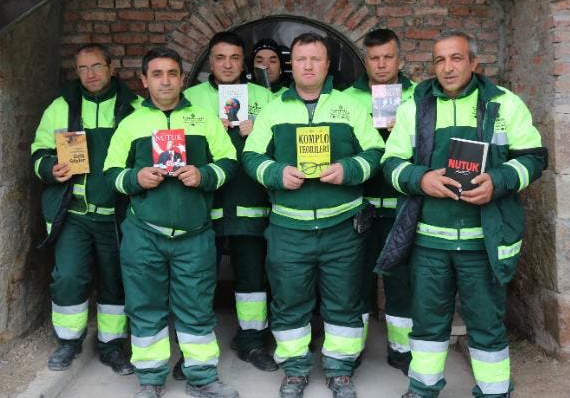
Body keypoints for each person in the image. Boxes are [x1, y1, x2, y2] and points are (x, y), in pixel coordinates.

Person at [379, 30, 547, 398]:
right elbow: (390, 163)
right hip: (429, 242)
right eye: (439, 60)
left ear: (473, 62)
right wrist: (420, 179)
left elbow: (534, 158)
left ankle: (494, 391)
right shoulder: (414, 107)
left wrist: (498, 181)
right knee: (427, 325)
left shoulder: (504, 104)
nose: (448, 67)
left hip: (482, 242)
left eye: (456, 58)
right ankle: (422, 389)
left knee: (487, 324)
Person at [243, 32, 385, 398]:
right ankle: (294, 370)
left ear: (327, 65)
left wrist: (348, 169)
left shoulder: (349, 106)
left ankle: (340, 370)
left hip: (343, 227)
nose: (308, 66)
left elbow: (375, 152)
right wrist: (276, 173)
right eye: (301, 59)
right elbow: (251, 156)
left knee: (344, 301)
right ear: (292, 65)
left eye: (316, 59)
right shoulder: (274, 109)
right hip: (289, 228)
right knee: (289, 301)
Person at [103, 47, 240, 398]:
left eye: (172, 74)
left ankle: (202, 378)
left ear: (182, 79)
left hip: (195, 234)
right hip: (144, 234)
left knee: (196, 308)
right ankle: (150, 380)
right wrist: (135, 178)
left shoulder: (204, 119)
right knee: (145, 308)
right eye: (157, 74)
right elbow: (110, 174)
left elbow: (229, 162)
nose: (165, 81)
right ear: (144, 80)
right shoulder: (131, 123)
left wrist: (203, 174)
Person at [31, 43, 140, 375]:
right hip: (74, 214)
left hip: (116, 215)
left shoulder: (133, 108)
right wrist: (50, 168)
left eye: (96, 66)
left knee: (115, 280)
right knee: (68, 276)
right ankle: (68, 341)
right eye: (83, 68)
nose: (90, 74)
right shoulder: (60, 107)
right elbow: (38, 152)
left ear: (111, 67)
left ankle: (112, 345)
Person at [184, 32, 278, 373]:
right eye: (220, 57)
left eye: (235, 57)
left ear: (244, 62)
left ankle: (252, 341)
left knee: (252, 278)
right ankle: (194, 350)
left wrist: (262, 130)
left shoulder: (264, 97)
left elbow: (281, 146)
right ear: (210, 61)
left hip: (248, 200)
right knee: (197, 279)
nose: (227, 64)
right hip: (202, 203)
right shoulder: (190, 97)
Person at [342, 29, 416, 374]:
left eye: (388, 57)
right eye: (374, 58)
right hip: (360, 206)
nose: (382, 64)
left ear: (400, 60)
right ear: (365, 61)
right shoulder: (345, 99)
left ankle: (401, 350)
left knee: (402, 282)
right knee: (356, 282)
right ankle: (352, 349)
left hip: (403, 205)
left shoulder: (419, 95)